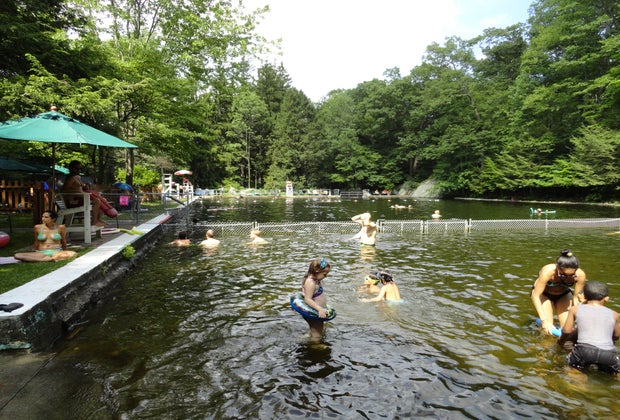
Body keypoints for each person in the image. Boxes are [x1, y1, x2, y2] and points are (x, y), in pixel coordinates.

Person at [558, 281, 620, 374]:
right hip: (608, 353)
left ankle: (579, 380)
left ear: (584, 296)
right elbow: (616, 336)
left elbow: (566, 331)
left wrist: (561, 342)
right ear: (606, 298)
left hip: (584, 350)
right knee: (614, 373)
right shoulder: (614, 314)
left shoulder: (575, 309)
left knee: (572, 369)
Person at [531, 249, 586, 335]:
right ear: (557, 267)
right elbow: (535, 295)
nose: (568, 278)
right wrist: (544, 320)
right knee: (548, 329)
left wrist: (578, 318)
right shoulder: (548, 272)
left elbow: (576, 298)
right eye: (563, 275)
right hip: (544, 294)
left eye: (571, 275)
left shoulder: (580, 275)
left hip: (563, 295)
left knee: (567, 330)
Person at [60, 160, 105, 226]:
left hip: (81, 198)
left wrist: (84, 187)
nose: (79, 170)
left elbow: (77, 188)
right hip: (73, 200)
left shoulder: (77, 177)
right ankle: (94, 221)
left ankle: (98, 219)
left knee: (102, 200)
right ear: (70, 168)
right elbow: (64, 190)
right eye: (76, 168)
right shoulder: (70, 178)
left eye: (80, 168)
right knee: (97, 201)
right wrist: (78, 193)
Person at [301, 258, 332, 338]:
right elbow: (307, 299)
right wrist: (320, 309)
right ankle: (315, 343)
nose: (325, 276)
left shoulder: (315, 279)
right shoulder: (310, 282)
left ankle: (308, 337)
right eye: (324, 274)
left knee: (316, 329)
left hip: (318, 312)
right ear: (317, 271)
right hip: (315, 312)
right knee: (317, 335)